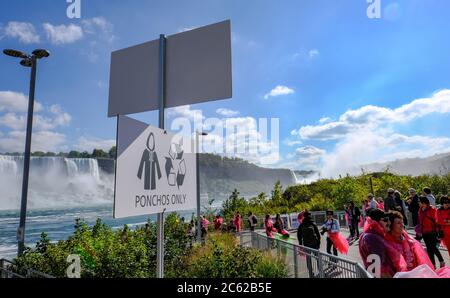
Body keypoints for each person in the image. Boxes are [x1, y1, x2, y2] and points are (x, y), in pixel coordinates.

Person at [359, 208, 396, 278]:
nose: (389, 222)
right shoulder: (373, 238)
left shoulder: (368, 234)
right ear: (377, 222)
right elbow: (381, 268)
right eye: (385, 220)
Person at [417, 196, 445, 268]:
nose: (418, 203)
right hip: (424, 231)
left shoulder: (432, 209)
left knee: (432, 247)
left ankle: (441, 260)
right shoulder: (420, 210)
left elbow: (437, 220)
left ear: (424, 202)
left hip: (432, 231)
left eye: (419, 201)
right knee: (429, 249)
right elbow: (420, 221)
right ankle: (433, 264)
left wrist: (439, 230)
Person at [297, 211, 321, 278]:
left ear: (304, 216)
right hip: (315, 245)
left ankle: (311, 274)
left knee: (308, 260)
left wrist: (300, 244)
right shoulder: (313, 223)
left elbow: (299, 235)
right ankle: (321, 272)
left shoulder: (302, 225)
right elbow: (318, 234)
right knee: (318, 259)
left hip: (306, 245)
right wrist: (318, 243)